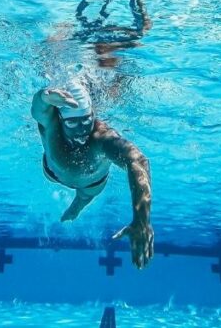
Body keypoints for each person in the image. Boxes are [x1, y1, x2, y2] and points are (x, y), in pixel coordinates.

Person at [31, 83, 154, 269]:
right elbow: (38, 109)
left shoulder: (103, 138)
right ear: (61, 119)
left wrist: (141, 220)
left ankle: (76, 208)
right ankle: (76, 207)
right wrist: (44, 97)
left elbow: (138, 162)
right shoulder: (51, 123)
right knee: (83, 194)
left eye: (86, 120)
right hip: (53, 173)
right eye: (72, 122)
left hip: (91, 185)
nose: (81, 129)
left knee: (85, 196)